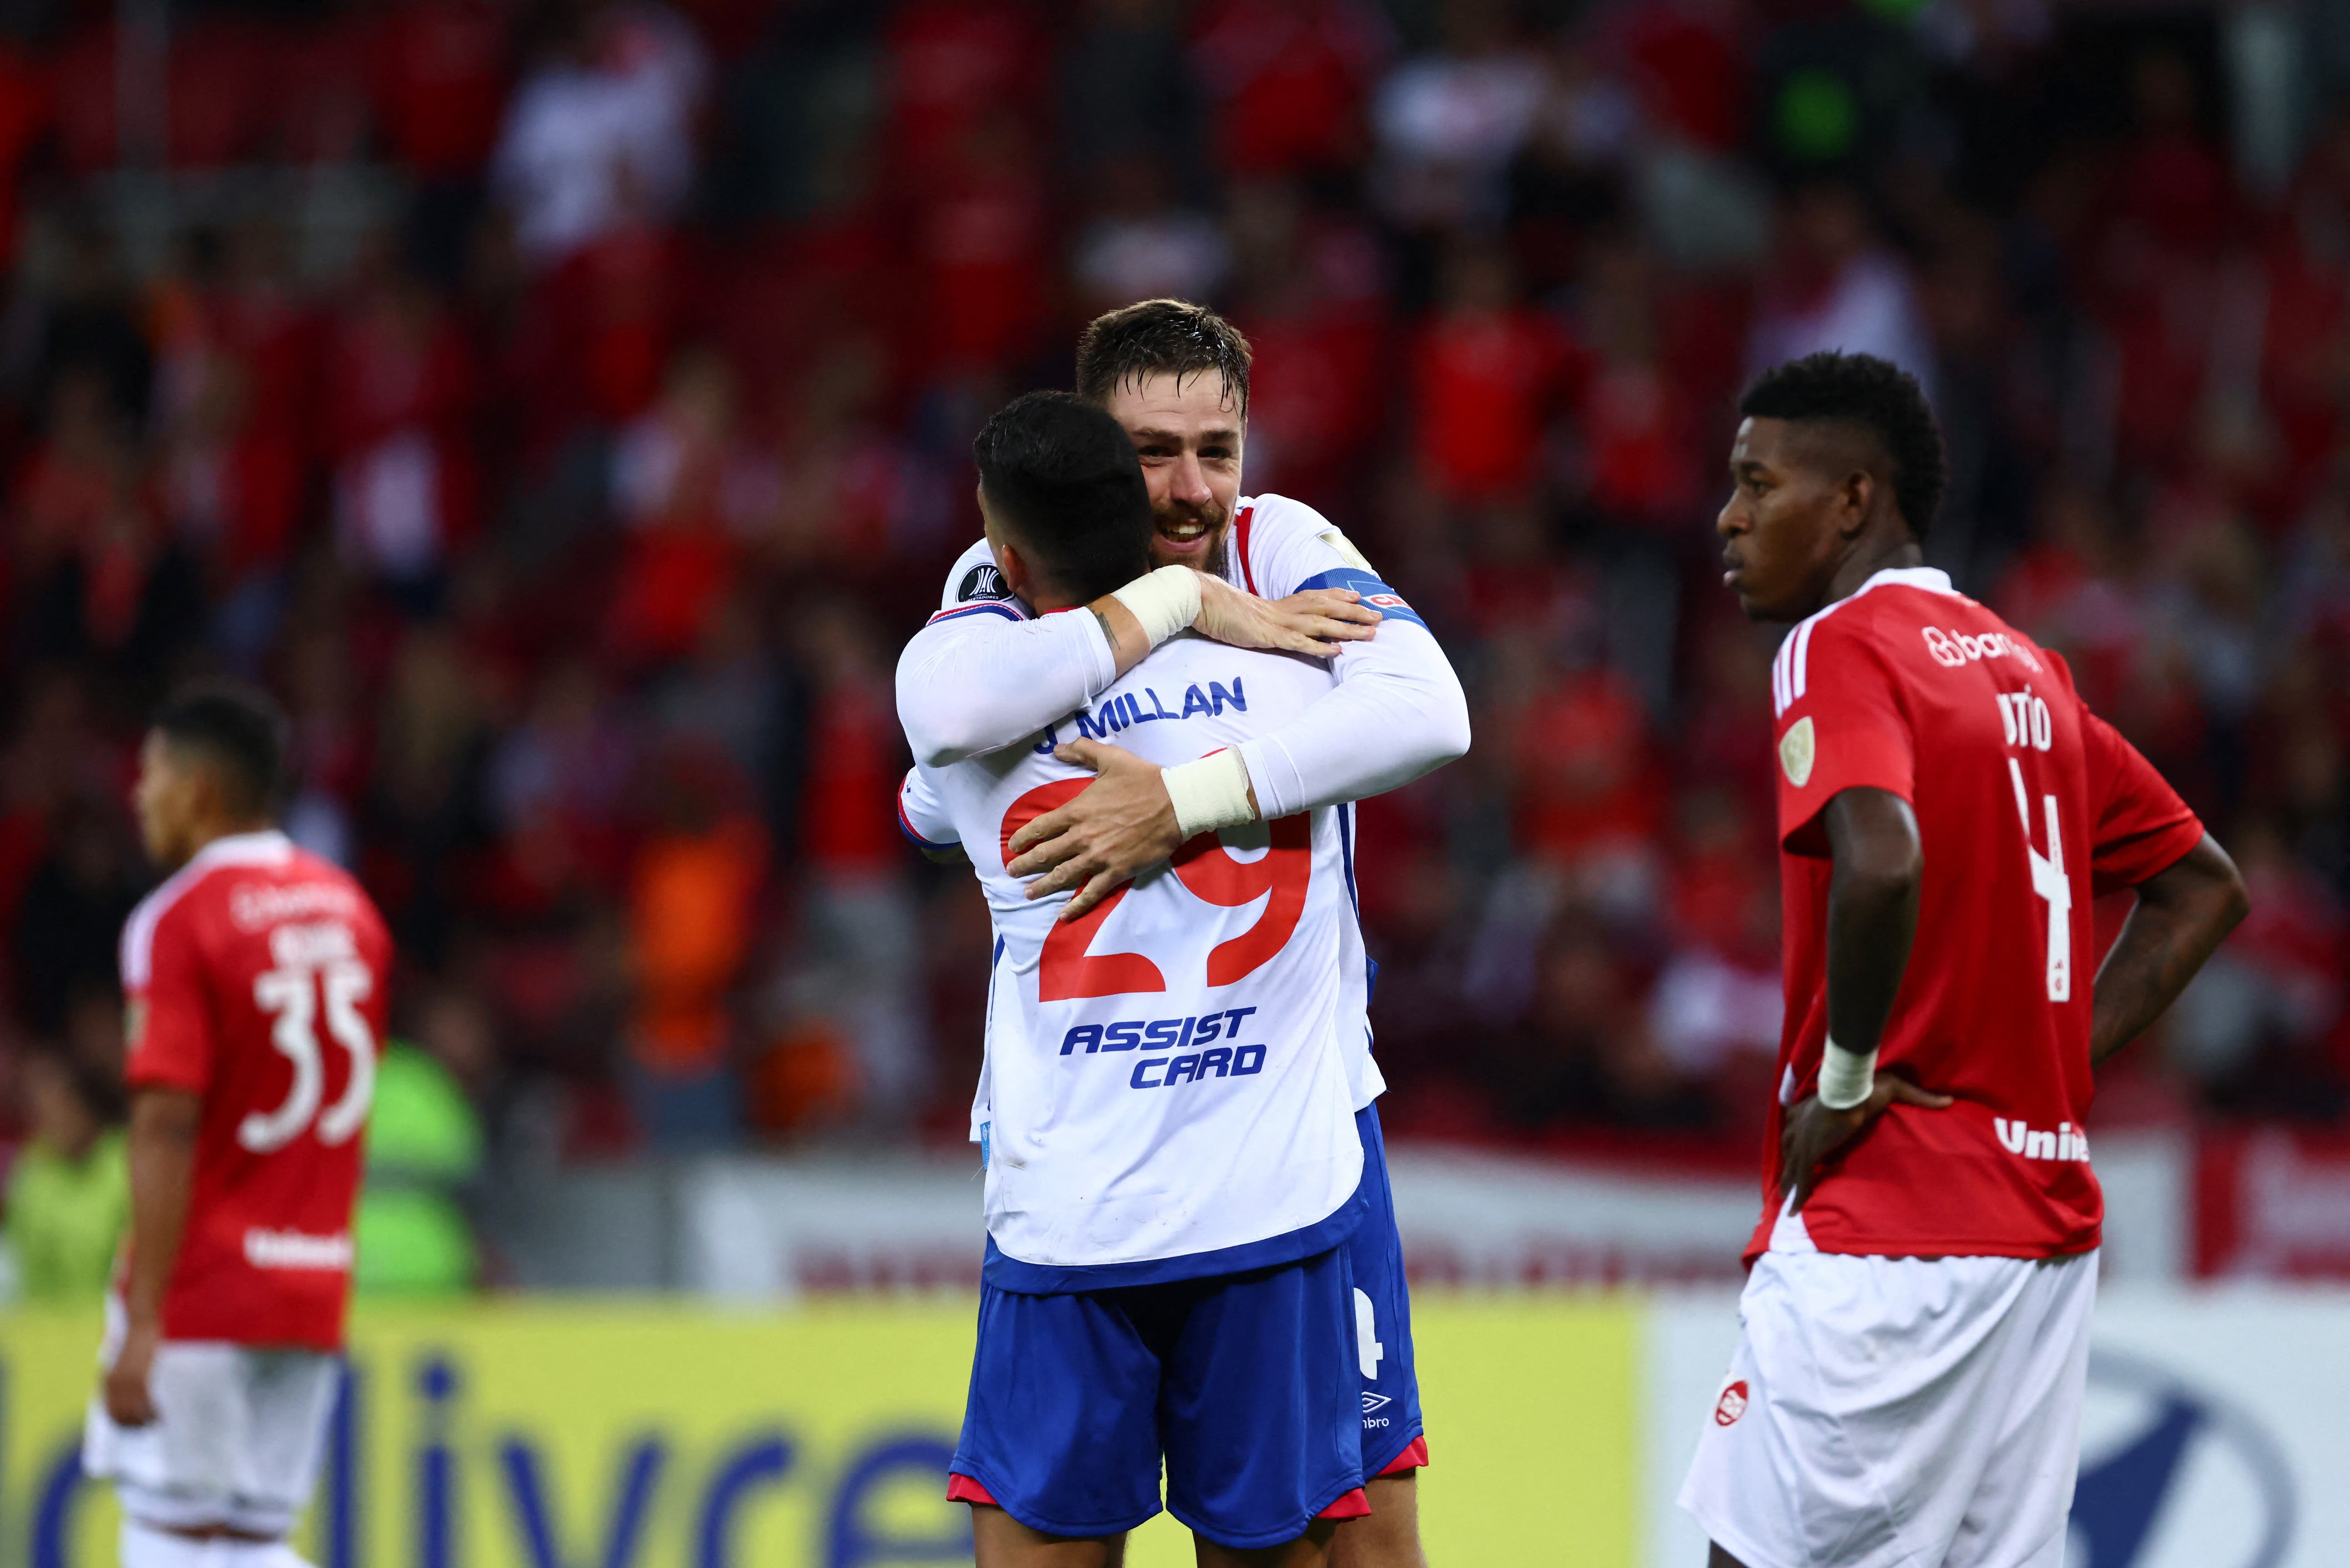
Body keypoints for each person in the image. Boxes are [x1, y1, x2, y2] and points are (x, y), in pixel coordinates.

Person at [896, 299, 1467, 1567]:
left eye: (1218, 447)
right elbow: (933, 774)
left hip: (1299, 1129)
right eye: (1154, 451)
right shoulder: (1006, 592)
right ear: (1088, 447)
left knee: (1373, 1548)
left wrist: (1180, 800)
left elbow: (1431, 712)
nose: (1195, 487)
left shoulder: (1284, 545)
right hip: (1093, 1145)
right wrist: (1179, 606)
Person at [1683, 351, 2248, 1568]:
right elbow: (2202, 886)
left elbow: (1880, 856)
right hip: (2038, 1230)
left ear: (1851, 499)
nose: (1726, 518)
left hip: (1889, 1227)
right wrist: (2047, 1063)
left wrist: (1842, 1080)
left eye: (1754, 481)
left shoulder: (1835, 645)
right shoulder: (2025, 669)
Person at [83, 683, 393, 1568]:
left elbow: (164, 1126)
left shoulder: (178, 922)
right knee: (252, 1544)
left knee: (171, 1543)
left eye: (152, 776)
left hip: (206, 1290)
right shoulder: (352, 912)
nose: (139, 796)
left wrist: (145, 1318)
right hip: (313, 1282)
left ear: (201, 791)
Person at [3, 1044, 129, 1304]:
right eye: (41, 1109)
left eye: (61, 1106)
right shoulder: (32, 1168)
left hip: (109, 1317)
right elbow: (18, 1260)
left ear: (87, 1105)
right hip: (39, 1325)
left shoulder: (126, 1162)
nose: (52, 1119)